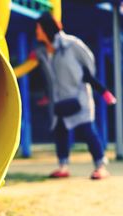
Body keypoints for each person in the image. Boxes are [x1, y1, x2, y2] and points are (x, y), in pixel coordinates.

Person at [31, 12, 116, 180]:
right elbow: (48, 77)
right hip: (59, 100)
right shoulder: (43, 51)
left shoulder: (71, 44)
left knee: (87, 131)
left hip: (79, 97)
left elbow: (89, 63)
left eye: (38, 28)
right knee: (60, 132)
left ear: (46, 28)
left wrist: (97, 87)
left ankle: (100, 167)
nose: (36, 31)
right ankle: (63, 166)